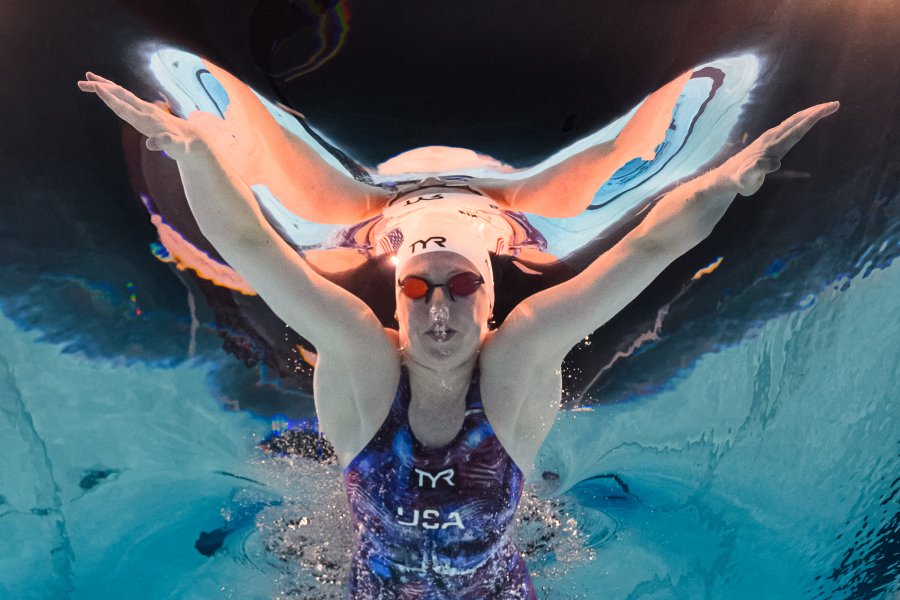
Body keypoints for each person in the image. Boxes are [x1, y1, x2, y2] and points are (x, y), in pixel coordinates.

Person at [78, 70, 837, 598]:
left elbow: (643, 249)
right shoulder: (362, 360)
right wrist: (193, 149)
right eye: (417, 288)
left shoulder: (521, 358)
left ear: (492, 291)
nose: (439, 311)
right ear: (397, 300)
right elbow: (249, 248)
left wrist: (727, 181)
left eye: (463, 285)